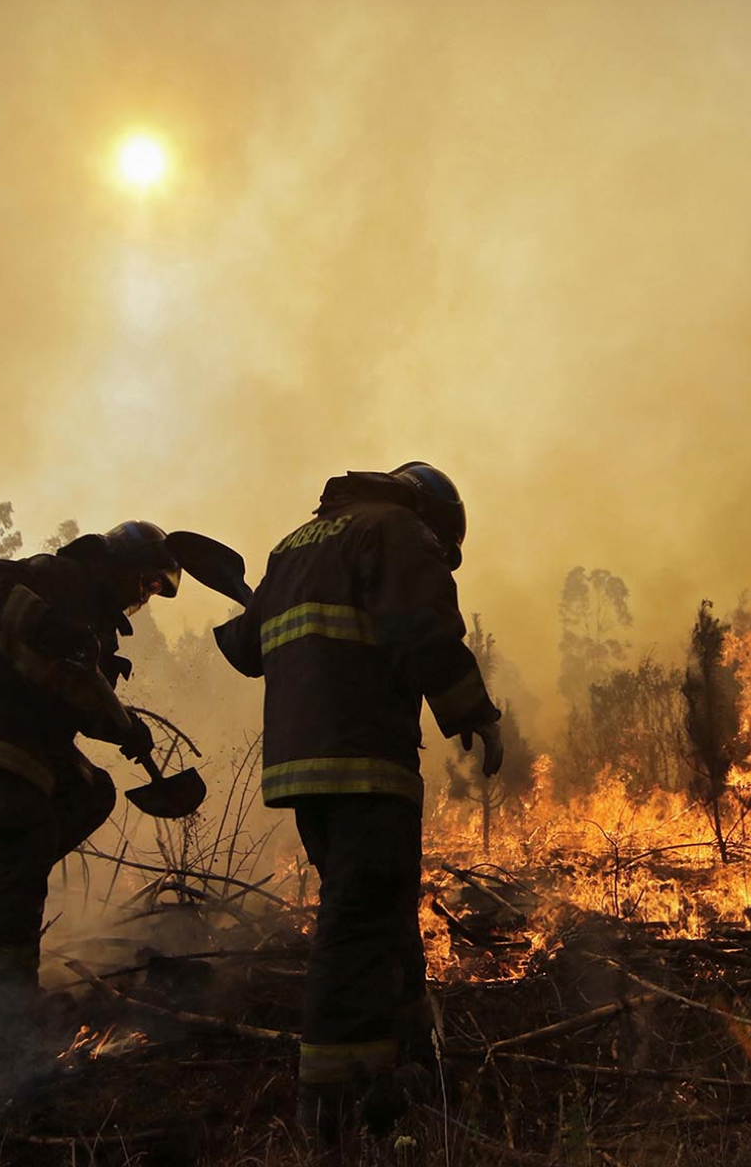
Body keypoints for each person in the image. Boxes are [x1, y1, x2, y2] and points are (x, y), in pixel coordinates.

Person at [213, 461, 503, 1145]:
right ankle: (332, 1103)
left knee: (379, 905)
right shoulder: (396, 528)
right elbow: (420, 626)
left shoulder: (295, 544)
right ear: (434, 515)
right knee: (356, 919)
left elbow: (246, 648)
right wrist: (471, 708)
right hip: (365, 755)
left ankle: (409, 1065)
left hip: (300, 767)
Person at [0, 521, 176, 1017]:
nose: (146, 597)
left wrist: (126, 729)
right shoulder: (58, 575)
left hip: (37, 745)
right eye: (147, 582)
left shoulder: (98, 631)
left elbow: (81, 702)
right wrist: (50, 627)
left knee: (92, 795)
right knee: (25, 842)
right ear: (123, 564)